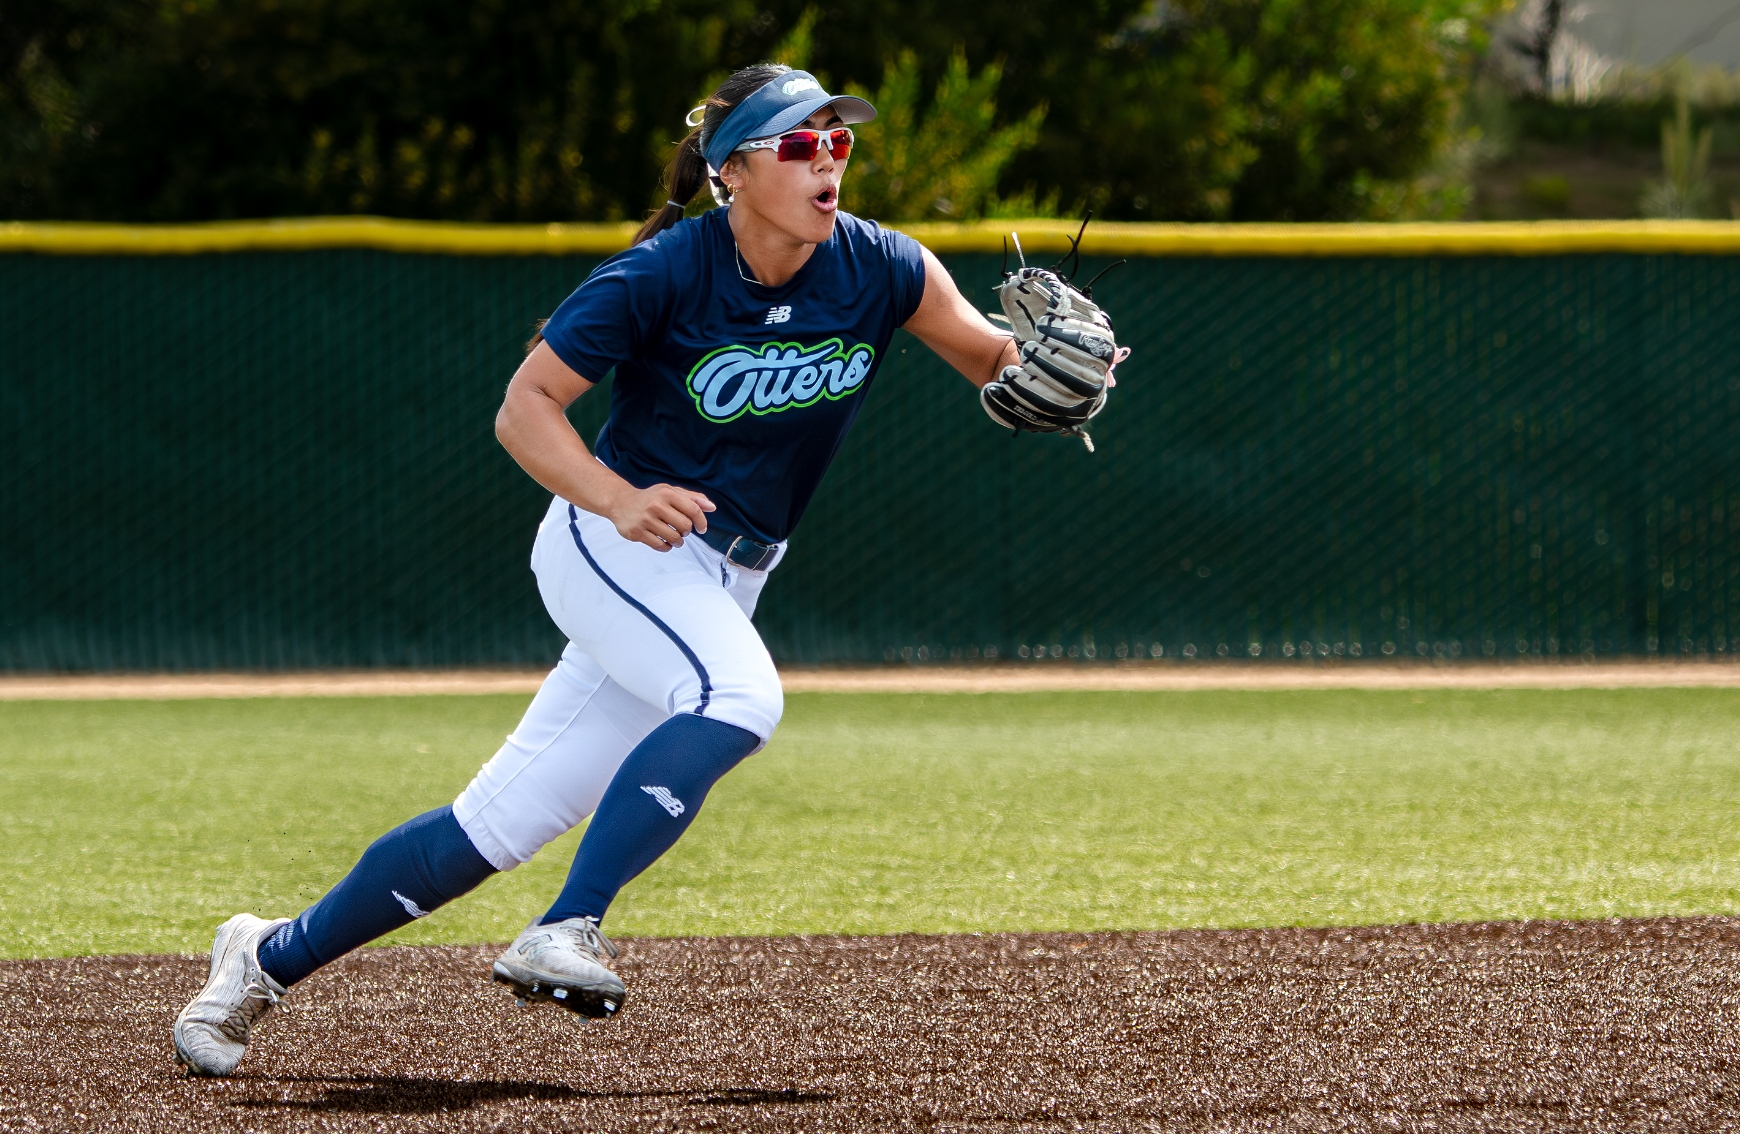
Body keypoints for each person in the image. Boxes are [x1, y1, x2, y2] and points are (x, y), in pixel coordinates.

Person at [172, 62, 1120, 1077]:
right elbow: (525, 407)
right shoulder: (660, 273)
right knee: (738, 695)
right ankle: (568, 925)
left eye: (837, 142)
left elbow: (992, 363)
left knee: (490, 828)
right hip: (616, 541)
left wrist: (1063, 378)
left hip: (726, 573)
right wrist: (615, 498)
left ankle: (261, 959)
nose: (828, 159)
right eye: (799, 144)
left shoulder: (886, 266)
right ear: (732, 170)